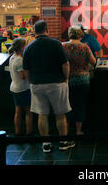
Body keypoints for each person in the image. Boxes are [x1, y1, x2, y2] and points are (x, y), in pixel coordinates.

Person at [23, 20, 74, 153]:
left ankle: (46, 143)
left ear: (34, 31)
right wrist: (66, 78)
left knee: (42, 114)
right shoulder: (56, 44)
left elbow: (26, 69)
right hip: (56, 83)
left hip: (36, 84)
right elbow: (65, 64)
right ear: (47, 29)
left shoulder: (29, 47)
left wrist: (31, 82)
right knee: (60, 114)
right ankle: (63, 142)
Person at [62, 26, 96, 135]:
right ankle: (78, 131)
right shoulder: (84, 47)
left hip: (67, 80)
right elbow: (94, 61)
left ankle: (65, 131)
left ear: (69, 34)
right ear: (80, 34)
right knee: (80, 105)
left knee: (67, 105)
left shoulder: (63, 46)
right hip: (83, 80)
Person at [8, 38, 32, 136]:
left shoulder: (12, 57)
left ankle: (18, 132)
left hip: (14, 87)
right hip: (23, 88)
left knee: (17, 111)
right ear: (22, 47)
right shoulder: (20, 60)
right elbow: (22, 76)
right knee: (28, 112)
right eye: (26, 45)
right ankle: (29, 132)